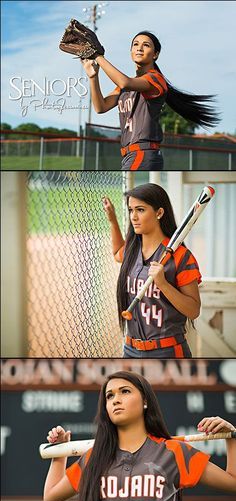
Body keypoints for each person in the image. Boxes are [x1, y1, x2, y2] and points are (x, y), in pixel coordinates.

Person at [43, 371, 236, 501]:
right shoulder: (94, 457)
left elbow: (233, 483)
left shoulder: (174, 452)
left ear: (145, 401)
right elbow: (50, 496)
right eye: (110, 396)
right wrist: (60, 452)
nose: (116, 400)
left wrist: (231, 436)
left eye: (125, 391)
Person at [79, 29, 218, 173]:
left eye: (146, 45)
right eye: (135, 44)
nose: (139, 48)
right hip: (130, 155)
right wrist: (93, 77)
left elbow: (124, 82)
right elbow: (100, 107)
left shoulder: (155, 79)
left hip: (143, 152)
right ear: (131, 51)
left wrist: (98, 56)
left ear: (155, 54)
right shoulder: (126, 86)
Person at [104, 183, 202, 359]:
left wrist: (163, 284)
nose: (133, 217)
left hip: (167, 351)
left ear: (159, 213)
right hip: (130, 349)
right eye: (130, 210)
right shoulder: (132, 250)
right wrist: (112, 220)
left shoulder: (181, 256)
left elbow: (194, 310)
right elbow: (117, 252)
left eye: (140, 210)